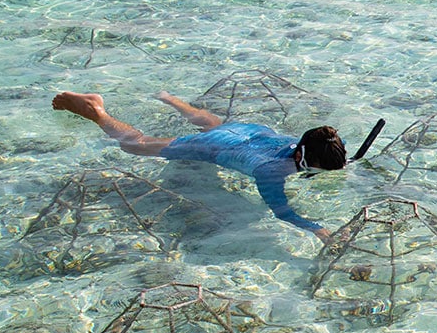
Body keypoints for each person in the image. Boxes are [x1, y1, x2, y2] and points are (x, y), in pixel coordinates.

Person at [52, 91, 347, 241]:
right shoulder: (269, 171)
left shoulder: (317, 143)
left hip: (247, 130)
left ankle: (170, 98)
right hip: (218, 147)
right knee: (136, 145)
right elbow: (281, 211)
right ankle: (96, 110)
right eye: (313, 170)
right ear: (300, 159)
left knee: (217, 126)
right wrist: (317, 230)